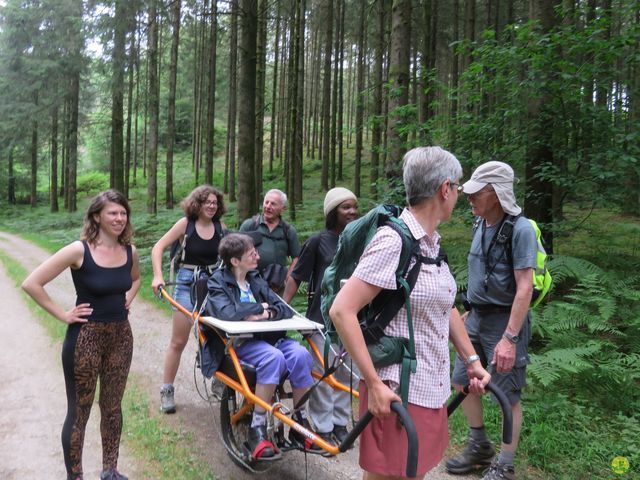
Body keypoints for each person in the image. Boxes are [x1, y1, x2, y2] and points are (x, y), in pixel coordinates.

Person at [329, 147, 491, 480]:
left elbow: (445, 307)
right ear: (445, 189)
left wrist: (472, 362)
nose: (458, 194)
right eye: (458, 186)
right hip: (396, 390)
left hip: (431, 386)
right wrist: (373, 384)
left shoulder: (430, 245)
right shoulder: (394, 241)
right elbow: (342, 310)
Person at [21, 189, 141, 480]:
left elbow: (135, 279)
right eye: (112, 212)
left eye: (123, 212)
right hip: (84, 340)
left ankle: (110, 470)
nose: (119, 218)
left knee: (112, 408)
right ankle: (74, 475)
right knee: (80, 412)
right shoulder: (79, 250)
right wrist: (63, 314)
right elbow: (32, 283)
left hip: (121, 339)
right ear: (96, 216)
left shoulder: (130, 251)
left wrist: (129, 298)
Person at [446, 161, 537, 480]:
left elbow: (525, 287)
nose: (469, 199)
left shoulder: (521, 229)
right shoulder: (479, 223)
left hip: (505, 321)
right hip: (477, 318)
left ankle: (506, 463)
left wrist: (509, 339)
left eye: (476, 193)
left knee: (506, 394)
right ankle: (479, 445)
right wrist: (470, 309)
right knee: (461, 379)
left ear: (496, 194)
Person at [207, 233, 320, 461]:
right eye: (252, 253)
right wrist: (262, 308)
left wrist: (261, 313)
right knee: (273, 358)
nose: (258, 256)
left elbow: (284, 308)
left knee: (301, 355)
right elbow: (228, 313)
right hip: (240, 343)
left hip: (268, 337)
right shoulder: (217, 282)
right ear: (235, 261)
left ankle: (298, 422)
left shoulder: (255, 279)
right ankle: (256, 428)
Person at [282, 187, 359, 446]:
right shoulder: (317, 241)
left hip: (354, 320)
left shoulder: (360, 240)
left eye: (353, 207)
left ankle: (340, 423)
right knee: (325, 374)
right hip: (321, 320)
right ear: (332, 211)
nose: (352, 212)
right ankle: (323, 425)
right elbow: (297, 276)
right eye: (345, 207)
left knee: (349, 374)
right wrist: (282, 306)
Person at [151, 185, 227, 414]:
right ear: (197, 204)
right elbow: (158, 247)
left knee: (219, 337)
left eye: (215, 202)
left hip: (214, 284)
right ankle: (167, 390)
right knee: (178, 341)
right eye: (207, 202)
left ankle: (219, 381)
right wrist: (158, 275)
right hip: (185, 282)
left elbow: (233, 254)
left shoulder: (221, 228)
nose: (212, 206)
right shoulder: (186, 225)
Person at [239, 189, 301, 293]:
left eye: (273, 204)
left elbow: (297, 258)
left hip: (276, 287)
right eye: (266, 202)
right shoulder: (250, 225)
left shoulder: (288, 231)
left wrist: (287, 278)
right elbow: (234, 250)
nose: (268, 206)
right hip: (248, 284)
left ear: (282, 209)